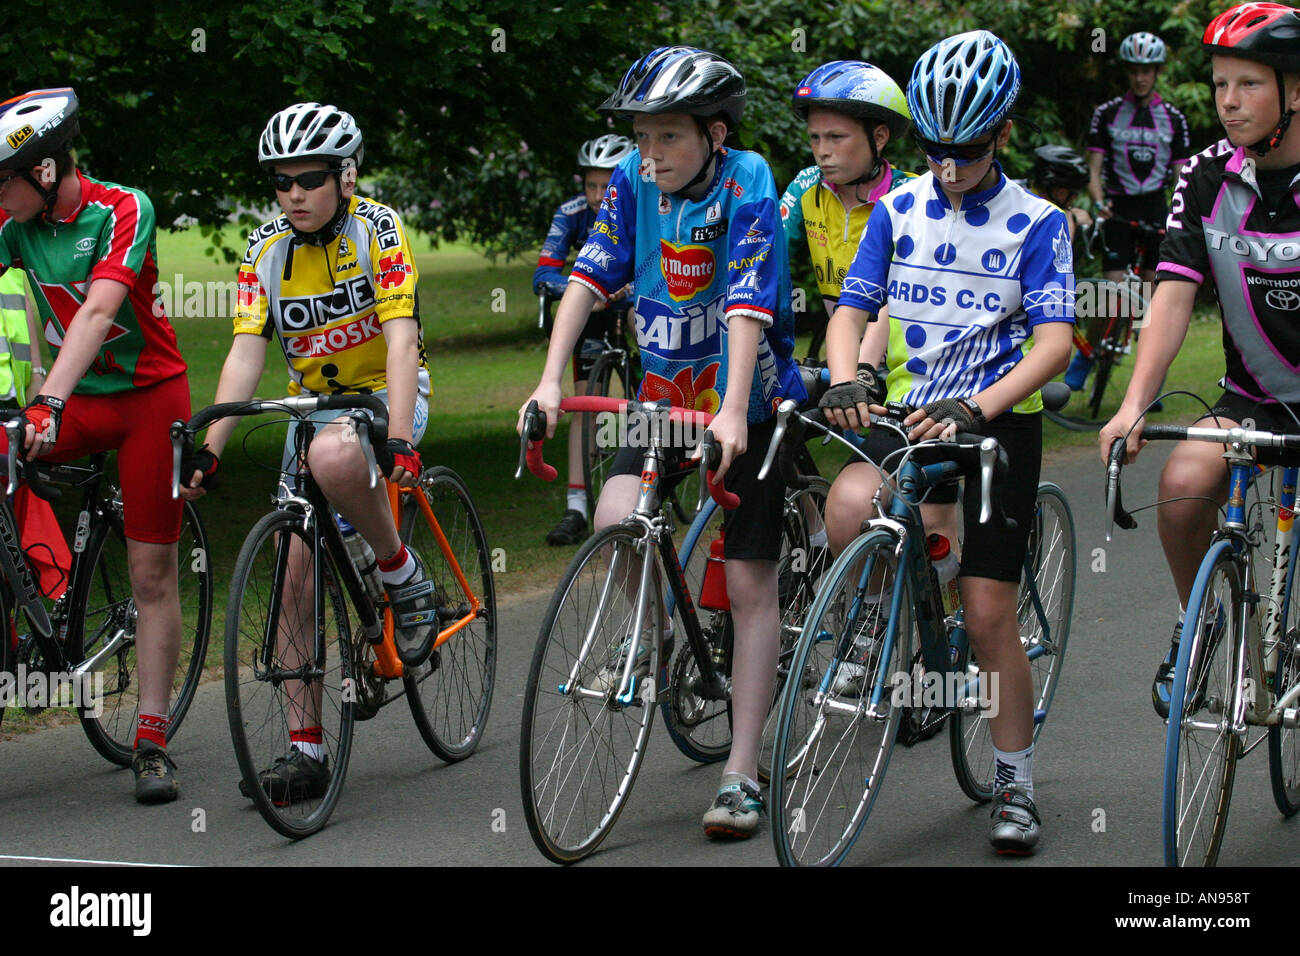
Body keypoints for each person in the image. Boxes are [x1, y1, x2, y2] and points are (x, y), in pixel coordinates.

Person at [517, 45, 807, 839]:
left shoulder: (749, 179)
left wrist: (738, 410)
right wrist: (549, 379)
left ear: (715, 134)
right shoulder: (633, 182)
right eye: (643, 137)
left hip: (747, 397)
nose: (651, 155)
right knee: (615, 521)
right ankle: (654, 639)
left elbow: (748, 300)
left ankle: (742, 772)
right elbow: (589, 274)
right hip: (662, 394)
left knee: (749, 585)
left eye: (668, 137)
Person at [819, 30, 1074, 854]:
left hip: (997, 427)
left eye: (966, 149)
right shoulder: (894, 211)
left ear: (1001, 134)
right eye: (936, 150)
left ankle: (1014, 782)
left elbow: (1054, 344)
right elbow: (852, 311)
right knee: (849, 506)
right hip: (910, 415)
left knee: (989, 607)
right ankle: (887, 638)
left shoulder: (1039, 223)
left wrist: (979, 406)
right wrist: (846, 376)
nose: (950, 165)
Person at [182, 102, 433, 803]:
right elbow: (244, 355)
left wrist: (403, 438)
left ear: (345, 176)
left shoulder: (377, 228)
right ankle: (304, 749)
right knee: (294, 572)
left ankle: (402, 574)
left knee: (335, 456)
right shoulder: (263, 250)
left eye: (310, 180)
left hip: (386, 391)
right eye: (281, 182)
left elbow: (402, 336)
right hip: (309, 408)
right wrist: (210, 449)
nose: (294, 194)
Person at [1099, 2, 1300, 719]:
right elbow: (1173, 298)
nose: (1229, 102)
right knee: (1183, 487)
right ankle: (1201, 620)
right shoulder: (1206, 175)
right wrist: (1133, 405)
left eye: (1248, 84)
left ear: (1294, 90)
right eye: (1220, 85)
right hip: (1254, 394)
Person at [0, 87, 194, 803]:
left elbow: (101, 309)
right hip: (77, 400)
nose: (0, 195)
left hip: (146, 402)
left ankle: (150, 738)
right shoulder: (14, 223)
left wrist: (48, 398)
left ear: (46, 172)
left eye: (4, 180)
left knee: (150, 577)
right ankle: (33, 606)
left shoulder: (123, 209)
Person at [532, 134, 637, 545]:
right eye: (590, 185)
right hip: (590, 307)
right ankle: (576, 504)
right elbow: (544, 276)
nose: (596, 196)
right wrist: (583, 292)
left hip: (631, 300)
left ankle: (654, 375)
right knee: (583, 404)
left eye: (604, 185)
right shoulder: (570, 213)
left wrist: (622, 291)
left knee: (643, 320)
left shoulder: (640, 203)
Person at [1069, 31, 1190, 389]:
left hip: (1155, 210)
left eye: (1147, 70)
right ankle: (1084, 359)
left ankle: (1150, 377)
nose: (1140, 77)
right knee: (1111, 291)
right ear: (1128, 72)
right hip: (1117, 209)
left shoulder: (1174, 118)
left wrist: (1178, 214)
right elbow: (1093, 168)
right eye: (1135, 70)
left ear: (1157, 72)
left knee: (1151, 301)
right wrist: (1098, 200)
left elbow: (1181, 174)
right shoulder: (1107, 114)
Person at [780, 60, 914, 369]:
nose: (822, 150)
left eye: (836, 137)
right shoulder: (806, 187)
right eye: (815, 137)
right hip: (846, 357)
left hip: (910, 363)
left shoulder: (911, 195)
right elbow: (765, 259)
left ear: (879, 137)